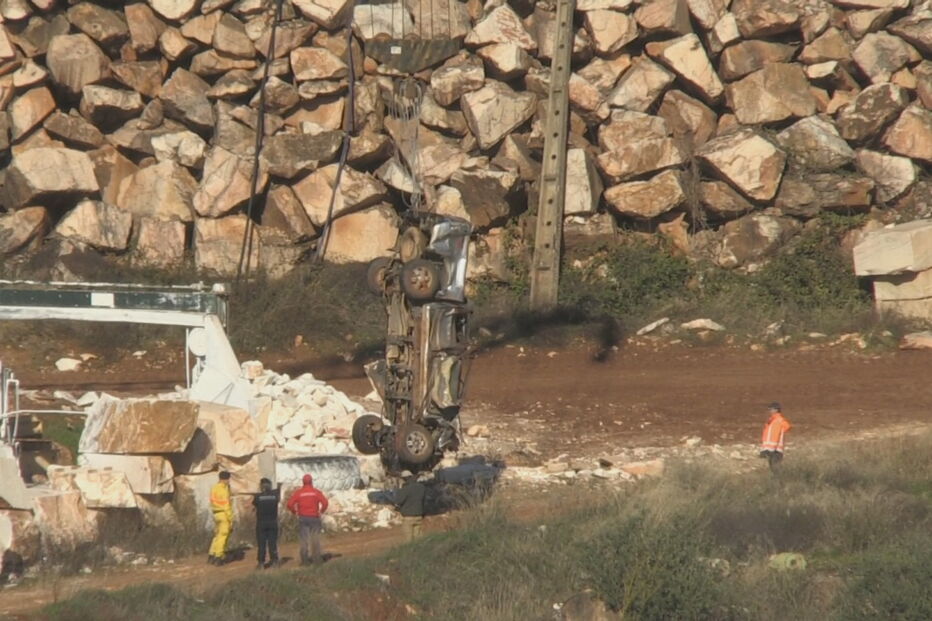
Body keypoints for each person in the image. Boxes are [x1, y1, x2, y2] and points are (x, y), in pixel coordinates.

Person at [286, 474, 329, 566]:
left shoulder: (299, 493)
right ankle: (317, 560)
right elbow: (325, 503)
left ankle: (305, 561)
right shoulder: (316, 492)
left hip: (303, 518)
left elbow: (289, 504)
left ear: (303, 482)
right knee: (315, 539)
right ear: (311, 481)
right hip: (314, 518)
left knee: (304, 540)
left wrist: (295, 512)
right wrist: (321, 511)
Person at [252, 477, 281, 569]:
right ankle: (275, 561)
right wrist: (279, 487)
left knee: (261, 544)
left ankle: (261, 563)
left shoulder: (257, 497)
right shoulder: (275, 495)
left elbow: (254, 504)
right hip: (273, 522)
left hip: (261, 523)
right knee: (272, 543)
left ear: (261, 486)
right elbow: (277, 496)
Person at [208, 471, 233, 565]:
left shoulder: (214, 488)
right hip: (224, 514)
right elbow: (226, 505)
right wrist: (231, 518)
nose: (229, 481)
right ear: (226, 479)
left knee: (217, 535)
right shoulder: (224, 489)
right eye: (228, 479)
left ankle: (211, 554)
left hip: (216, 514)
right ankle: (218, 557)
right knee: (223, 535)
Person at [394, 473, 426, 542]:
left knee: (408, 541)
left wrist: (399, 489)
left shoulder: (406, 488)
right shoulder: (421, 487)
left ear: (404, 479)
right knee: (419, 540)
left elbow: (398, 500)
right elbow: (424, 501)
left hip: (408, 517)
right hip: (419, 516)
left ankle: (410, 552)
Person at [760, 402, 792, 473]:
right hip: (771, 450)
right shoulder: (771, 421)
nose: (769, 411)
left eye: (771, 409)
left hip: (776, 450)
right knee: (773, 470)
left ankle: (782, 482)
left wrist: (770, 449)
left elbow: (786, 427)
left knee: (776, 470)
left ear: (776, 410)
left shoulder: (779, 420)